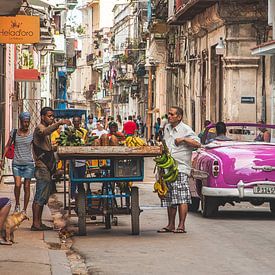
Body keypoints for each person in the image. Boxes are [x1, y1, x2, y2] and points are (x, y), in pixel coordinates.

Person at [158, 106, 200, 234]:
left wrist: (183, 139)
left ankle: (181, 225)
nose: (169, 116)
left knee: (181, 197)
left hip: (180, 168)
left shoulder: (185, 129)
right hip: (168, 167)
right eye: (168, 114)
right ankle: (170, 224)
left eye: (171, 114)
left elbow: (198, 143)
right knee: (170, 197)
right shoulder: (167, 128)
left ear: (179, 117)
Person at [32, 107, 71, 231]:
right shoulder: (40, 128)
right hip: (42, 168)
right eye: (49, 116)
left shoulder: (47, 133)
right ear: (43, 117)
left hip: (47, 168)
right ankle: (36, 223)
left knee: (43, 197)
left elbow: (48, 148)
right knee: (39, 196)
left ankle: (38, 222)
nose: (52, 118)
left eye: (52, 116)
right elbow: (44, 132)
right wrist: (58, 123)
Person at [0, 112, 34, 213]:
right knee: (18, 185)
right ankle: (18, 204)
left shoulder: (32, 135)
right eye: (24, 122)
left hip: (29, 164)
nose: (26, 124)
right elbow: (7, 146)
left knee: (27, 186)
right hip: (17, 164)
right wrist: (2, 159)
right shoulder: (14, 133)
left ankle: (24, 209)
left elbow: (35, 149)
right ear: (20, 122)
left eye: (28, 122)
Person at [71, 116, 88, 200]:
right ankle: (73, 196)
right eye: (75, 121)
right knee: (73, 178)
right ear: (73, 122)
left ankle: (81, 194)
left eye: (78, 122)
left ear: (80, 122)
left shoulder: (84, 131)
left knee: (81, 178)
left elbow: (87, 142)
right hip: (73, 158)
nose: (76, 123)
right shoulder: (70, 132)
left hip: (82, 159)